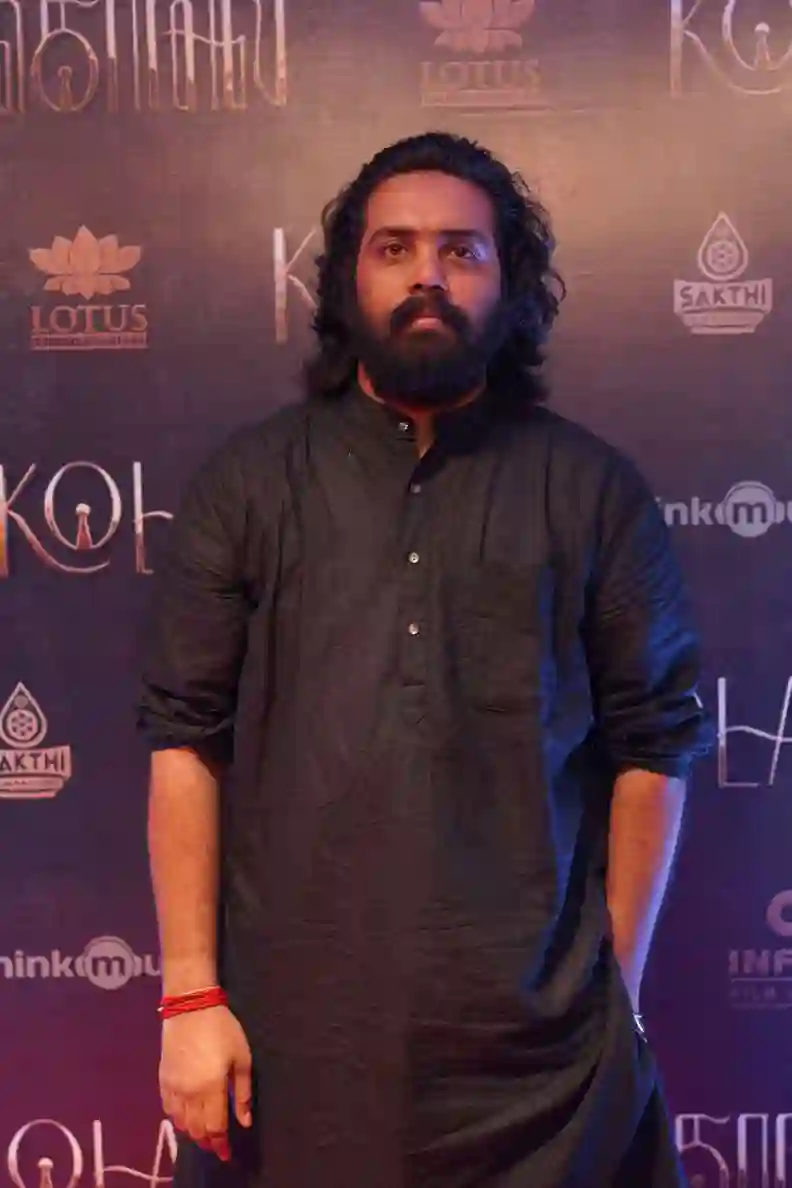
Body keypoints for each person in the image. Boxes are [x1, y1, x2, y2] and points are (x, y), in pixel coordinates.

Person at [137, 131, 711, 1188]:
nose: (428, 277)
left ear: (509, 281)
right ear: (348, 279)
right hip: (288, 1048)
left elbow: (656, 748)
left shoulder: (591, 490)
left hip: (544, 1068)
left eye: (463, 250)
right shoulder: (250, 484)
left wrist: (616, 999)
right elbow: (184, 744)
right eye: (395, 248)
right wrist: (190, 997)